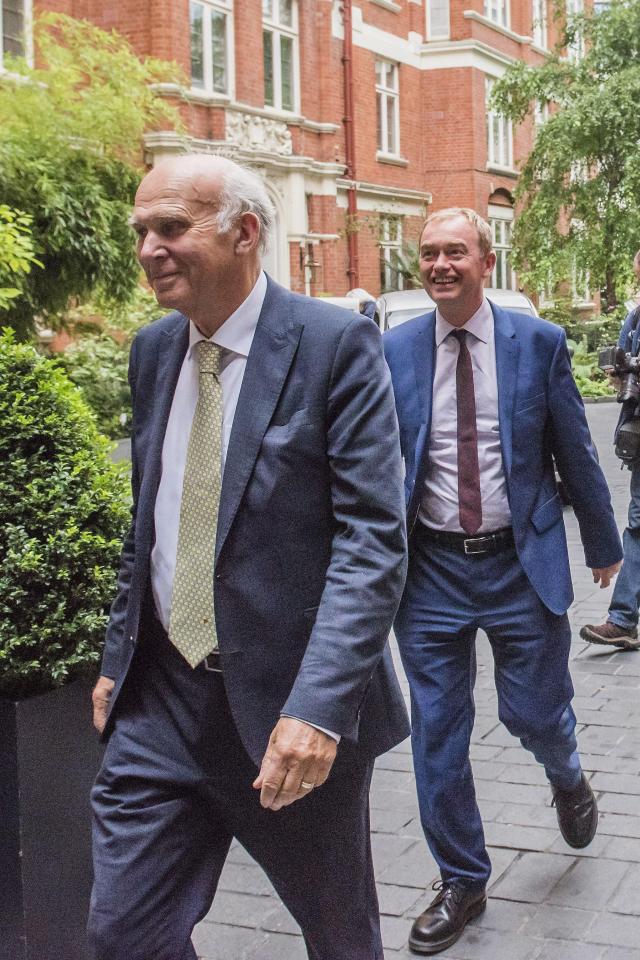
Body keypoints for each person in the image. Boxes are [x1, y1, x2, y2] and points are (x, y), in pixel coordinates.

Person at [88, 154, 410, 960]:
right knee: (124, 935)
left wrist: (317, 710)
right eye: (141, 231)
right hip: (161, 702)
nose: (150, 248)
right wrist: (115, 653)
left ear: (245, 232)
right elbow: (150, 521)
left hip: (286, 712)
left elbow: (371, 540)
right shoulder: (153, 350)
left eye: (171, 228)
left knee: (338, 935)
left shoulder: (333, 345)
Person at [383, 208, 623, 956]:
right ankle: (463, 877)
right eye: (428, 253)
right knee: (438, 735)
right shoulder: (391, 350)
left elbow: (574, 447)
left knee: (534, 714)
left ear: (487, 261)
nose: (440, 264)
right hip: (431, 572)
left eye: (456, 251)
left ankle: (568, 772)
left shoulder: (538, 344)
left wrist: (603, 542)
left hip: (521, 564)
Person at [581, 250, 640, 651]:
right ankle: (623, 619)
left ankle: (623, 618)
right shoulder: (634, 318)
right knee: (637, 523)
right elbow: (618, 374)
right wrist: (621, 373)